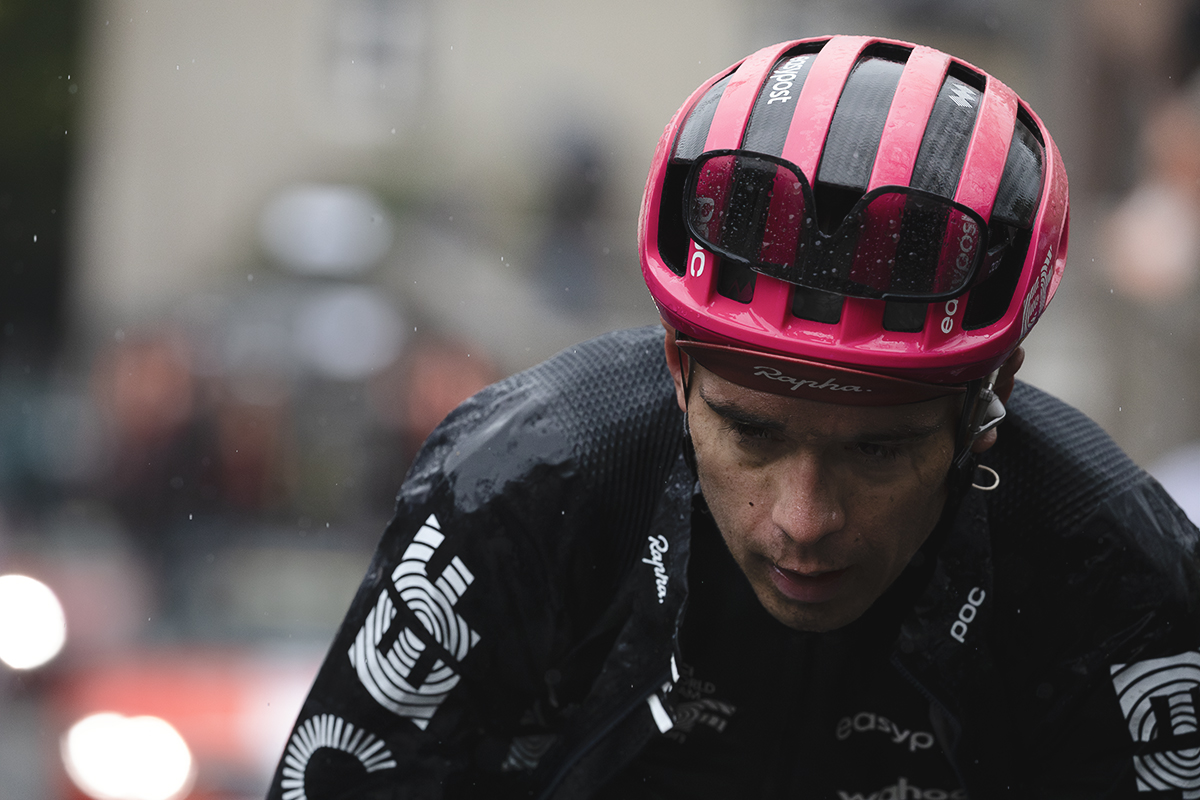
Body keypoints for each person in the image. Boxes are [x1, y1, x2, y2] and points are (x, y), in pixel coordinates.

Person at [266, 36, 1200, 799]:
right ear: (678, 368)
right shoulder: (527, 484)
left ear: (985, 410)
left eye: (878, 450)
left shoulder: (1108, 563)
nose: (803, 520)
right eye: (752, 432)